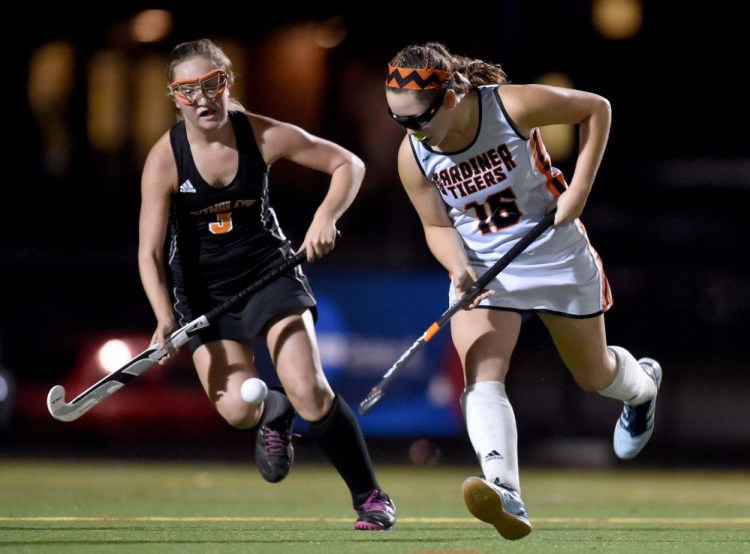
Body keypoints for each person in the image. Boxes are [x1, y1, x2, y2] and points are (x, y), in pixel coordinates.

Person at [384, 42, 661, 540]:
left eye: (416, 119)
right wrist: (458, 267)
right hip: (486, 266)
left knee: (594, 374)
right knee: (482, 374)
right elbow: (436, 224)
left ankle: (643, 388)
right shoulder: (413, 155)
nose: (409, 131)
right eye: (397, 118)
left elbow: (596, 108)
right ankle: (505, 490)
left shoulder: (510, 106)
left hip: (554, 252)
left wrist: (577, 189)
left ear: (448, 98)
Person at [138, 38, 395, 531]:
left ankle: (371, 498)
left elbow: (349, 165)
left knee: (311, 391)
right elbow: (148, 253)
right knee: (237, 410)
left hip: (268, 273)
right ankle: (271, 410)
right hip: (204, 293)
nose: (203, 98)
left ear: (226, 84)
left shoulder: (261, 134)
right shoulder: (164, 160)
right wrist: (164, 316)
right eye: (189, 89)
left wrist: (326, 216)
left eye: (212, 84)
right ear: (174, 97)